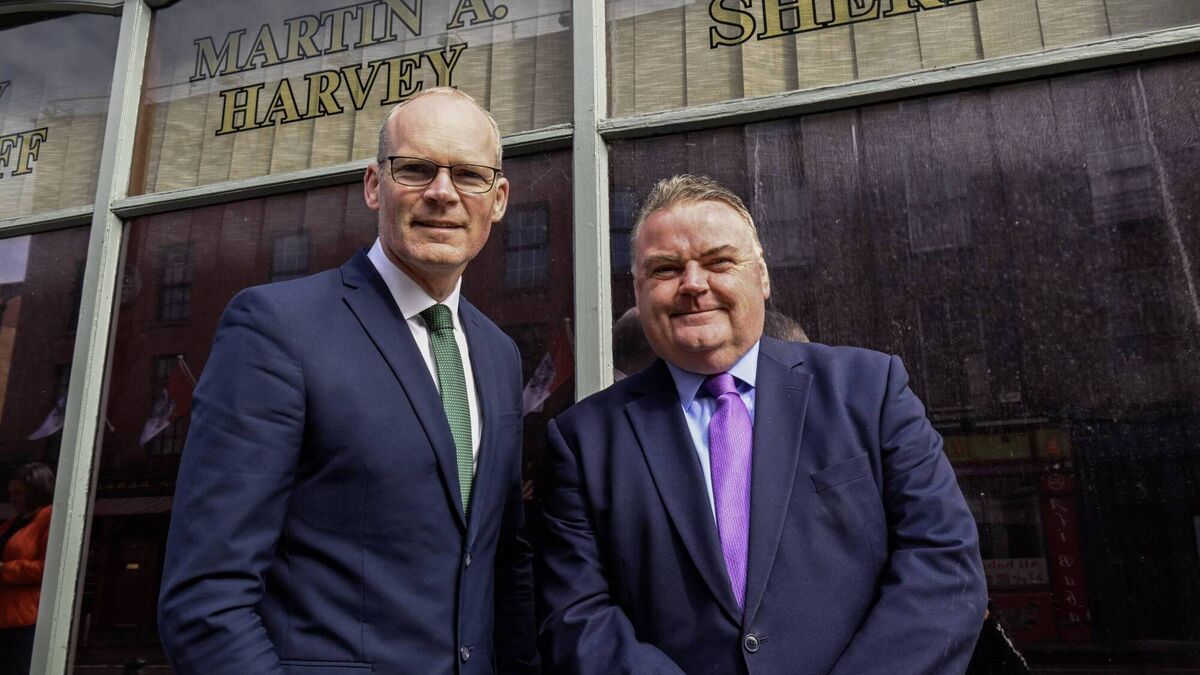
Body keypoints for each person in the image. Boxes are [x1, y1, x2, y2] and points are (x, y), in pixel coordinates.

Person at [537, 175, 986, 674]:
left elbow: (943, 565)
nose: (693, 284)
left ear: (763, 276)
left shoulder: (869, 391)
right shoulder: (583, 441)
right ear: (638, 292)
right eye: (665, 269)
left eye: (718, 262)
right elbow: (577, 617)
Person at [159, 88, 538, 675]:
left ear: (499, 199)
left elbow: (501, 564)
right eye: (416, 169)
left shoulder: (499, 354)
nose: (442, 192)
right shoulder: (277, 327)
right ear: (373, 185)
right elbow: (207, 601)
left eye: (468, 174)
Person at [0, 462, 54, 675]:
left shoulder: (49, 520)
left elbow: (48, 567)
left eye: (18, 493)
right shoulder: (13, 522)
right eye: (10, 492)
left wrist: (4, 569)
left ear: (36, 491)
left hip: (24, 618)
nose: (12, 498)